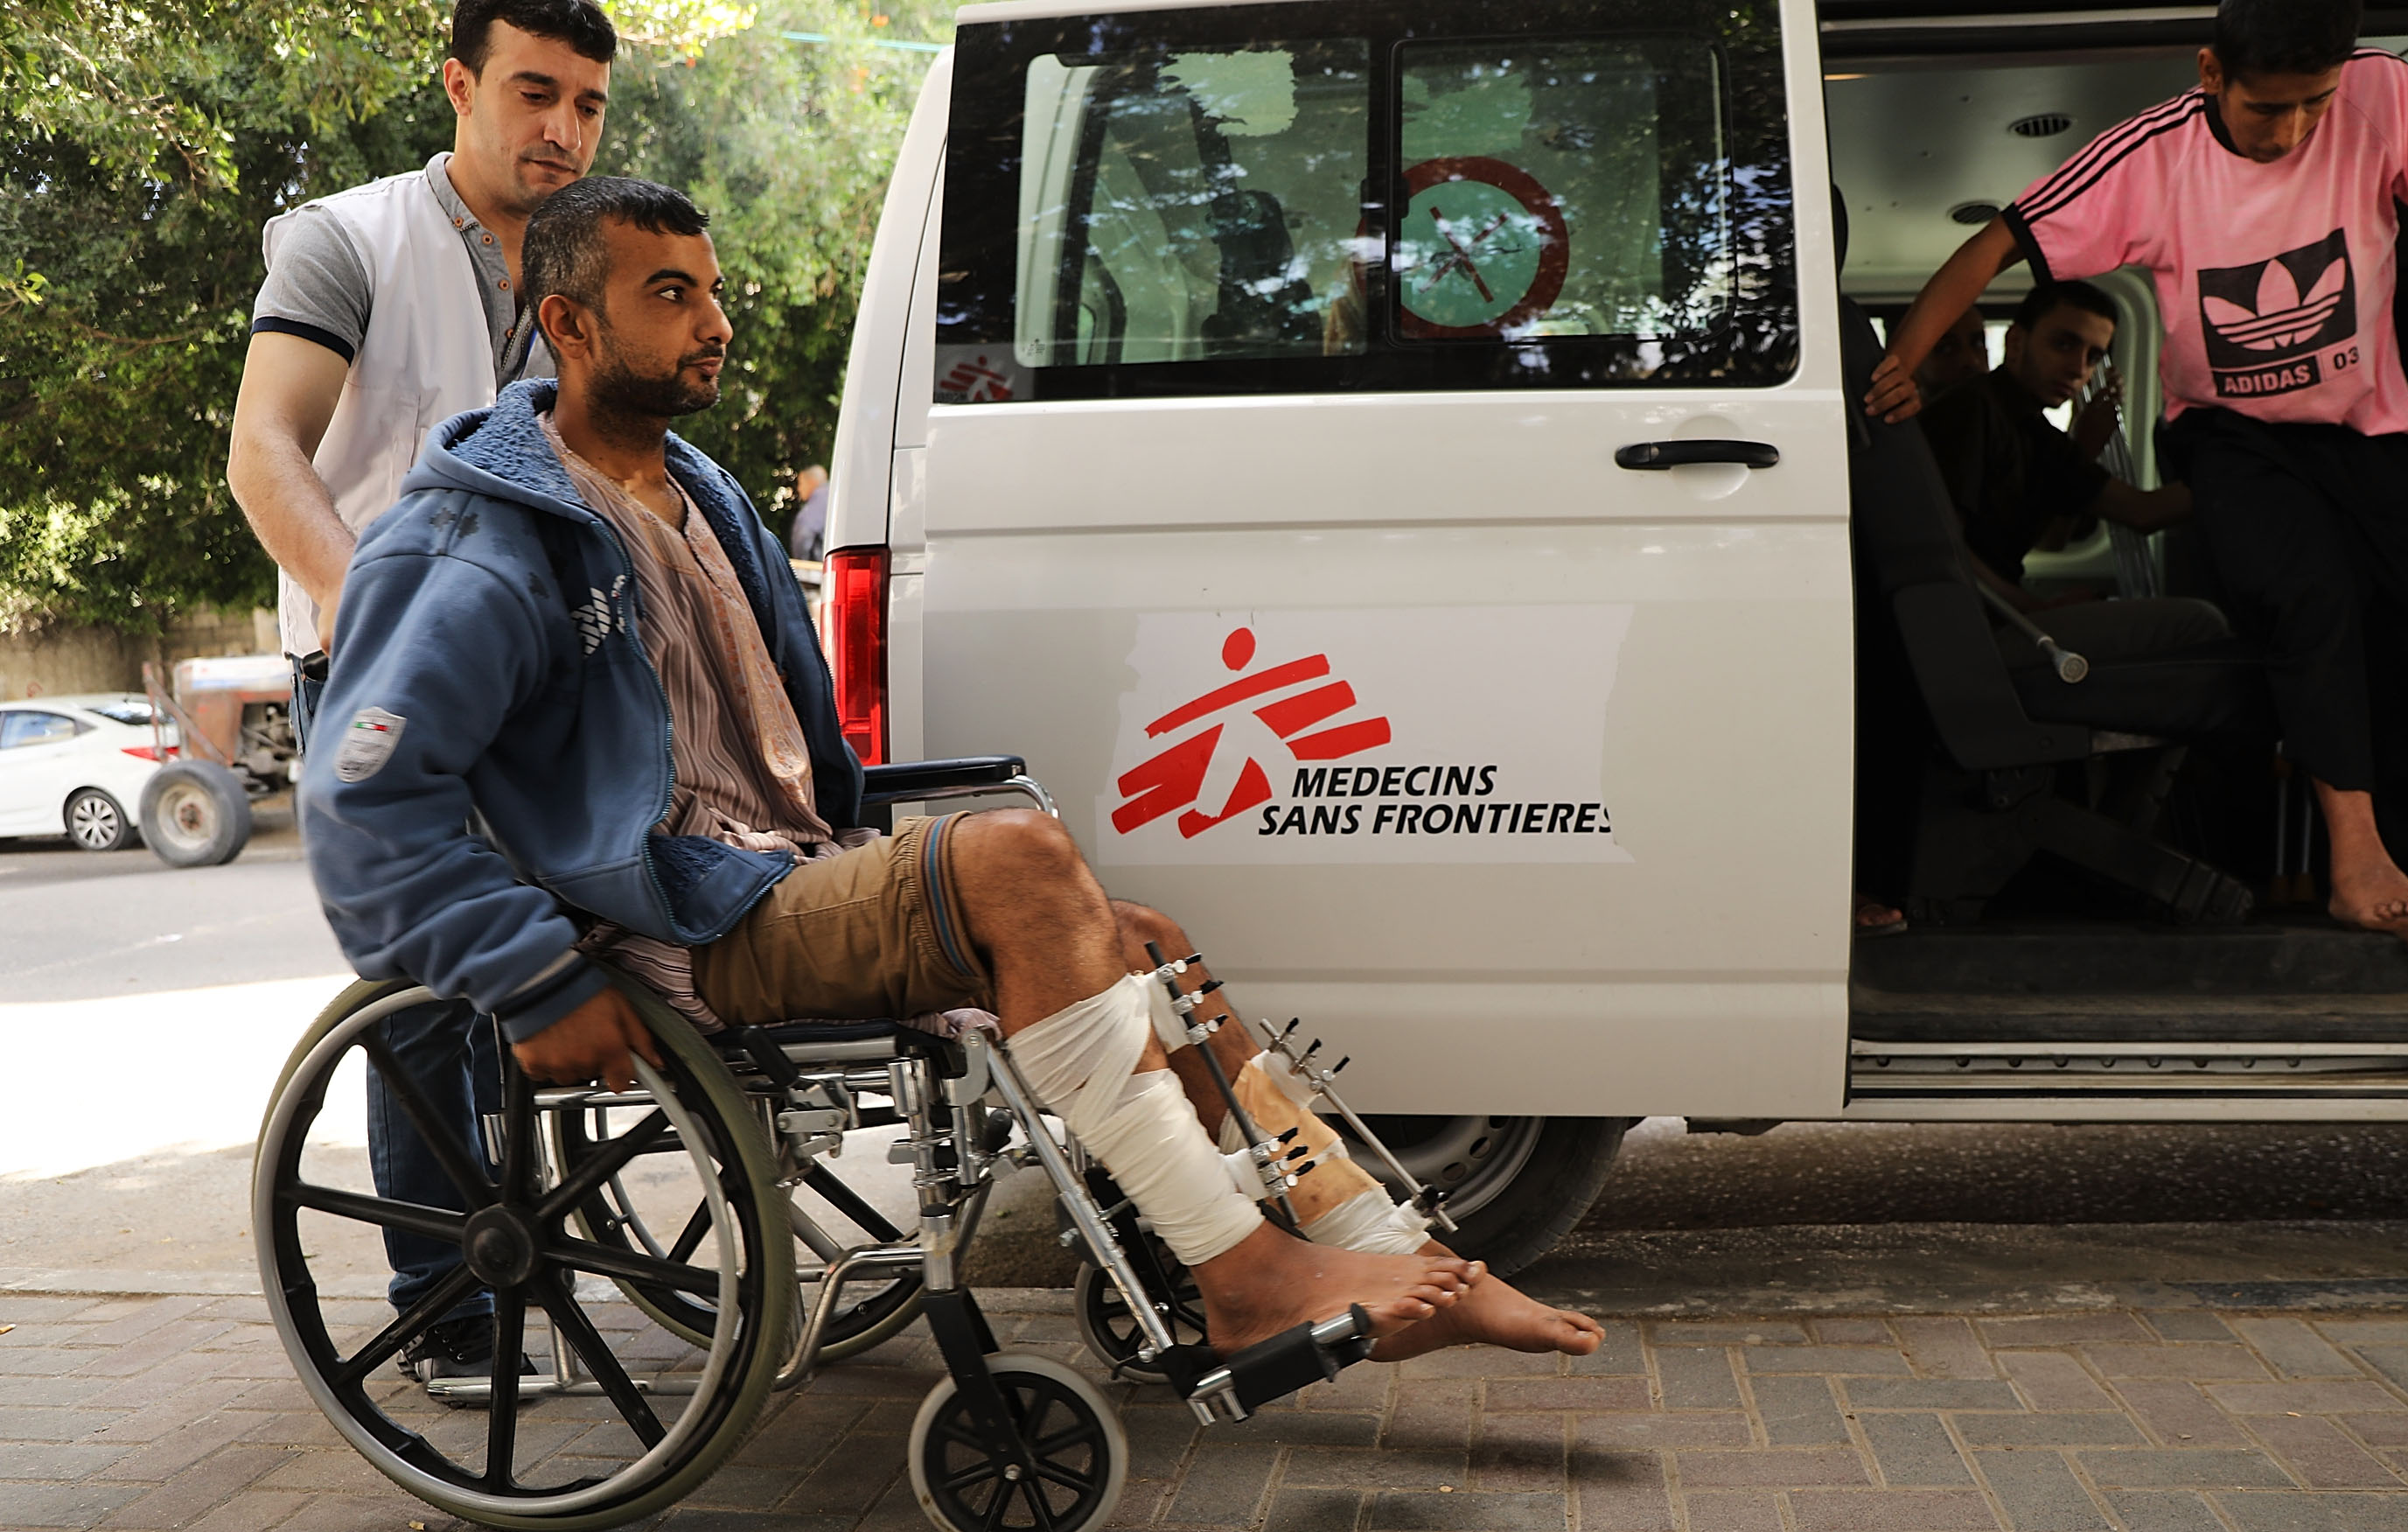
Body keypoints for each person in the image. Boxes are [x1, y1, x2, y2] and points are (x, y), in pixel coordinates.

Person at [302, 177, 1606, 1366]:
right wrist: (528, 978)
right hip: (672, 919)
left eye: (712, 291)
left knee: (1137, 934)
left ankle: (1380, 1241)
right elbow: (367, 803)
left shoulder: (695, 492)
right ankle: (1246, 1277)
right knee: (1024, 864)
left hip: (777, 875)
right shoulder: (478, 536)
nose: (715, 324)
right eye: (670, 294)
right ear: (570, 326)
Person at [1863, 0, 2408, 961]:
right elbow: (1997, 243)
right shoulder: (2151, 157)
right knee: (2311, 597)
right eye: (2271, 108)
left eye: (2317, 102)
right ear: (2212, 71)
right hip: (2235, 437)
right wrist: (1899, 364)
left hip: (2376, 431)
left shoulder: (2385, 97)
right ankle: (2353, 863)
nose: (2296, 131)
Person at [227, 0, 618, 1387]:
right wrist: (372, 612)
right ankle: (445, 1301)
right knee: (435, 980)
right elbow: (265, 448)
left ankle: (527, 1245)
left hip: (548, 668)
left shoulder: (593, 259)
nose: (561, 128)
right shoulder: (349, 237)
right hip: (385, 662)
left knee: (569, 952)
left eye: (585, 103)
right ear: (459, 84)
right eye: (533, 92)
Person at [1920, 279, 2195, 609]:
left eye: (2093, 357)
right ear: (2016, 342)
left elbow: (2126, 517)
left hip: (1999, 612)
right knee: (2194, 623)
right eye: (2063, 344)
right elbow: (1939, 547)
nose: (2078, 369)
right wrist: (2034, 610)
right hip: (1969, 619)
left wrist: (2085, 446)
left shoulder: (2038, 431)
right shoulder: (1972, 408)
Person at [787, 464, 829, 563]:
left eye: (801, 483)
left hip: (820, 569)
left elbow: (804, 535)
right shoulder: (836, 498)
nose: (799, 489)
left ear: (811, 482)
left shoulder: (815, 505)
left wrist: (802, 562)